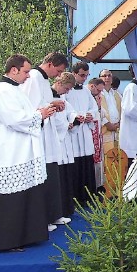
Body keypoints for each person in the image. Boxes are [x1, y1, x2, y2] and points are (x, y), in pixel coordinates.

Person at [0, 54, 56, 251]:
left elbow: (24, 114)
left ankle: (21, 237)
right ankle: (7, 241)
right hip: (6, 154)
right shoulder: (3, 91)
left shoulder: (13, 89)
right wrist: (40, 114)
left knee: (21, 196)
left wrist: (39, 113)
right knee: (10, 199)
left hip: (16, 152)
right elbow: (16, 119)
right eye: (26, 72)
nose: (28, 76)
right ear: (14, 70)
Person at [19, 51, 69, 230]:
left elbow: (42, 102)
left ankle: (53, 214)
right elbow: (30, 107)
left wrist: (54, 103)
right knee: (43, 174)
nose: (58, 75)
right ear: (50, 64)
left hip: (47, 133)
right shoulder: (32, 77)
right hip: (38, 134)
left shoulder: (43, 80)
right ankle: (44, 219)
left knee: (51, 172)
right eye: (58, 70)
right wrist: (50, 106)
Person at [63, 61, 99, 205]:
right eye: (82, 75)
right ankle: (75, 198)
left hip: (85, 131)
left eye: (86, 75)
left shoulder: (85, 90)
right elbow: (65, 110)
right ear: (74, 73)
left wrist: (90, 115)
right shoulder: (67, 91)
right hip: (74, 132)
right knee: (75, 166)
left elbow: (94, 108)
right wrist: (76, 117)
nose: (84, 78)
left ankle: (88, 197)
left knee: (86, 164)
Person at [51, 72, 78, 220]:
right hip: (54, 143)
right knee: (57, 179)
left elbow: (70, 111)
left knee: (65, 177)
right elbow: (52, 120)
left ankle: (65, 210)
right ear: (60, 83)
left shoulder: (62, 97)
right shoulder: (49, 96)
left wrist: (74, 118)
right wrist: (65, 125)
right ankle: (56, 213)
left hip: (65, 142)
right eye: (67, 89)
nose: (67, 92)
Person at [88, 78, 106, 190]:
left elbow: (101, 114)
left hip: (97, 133)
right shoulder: (86, 95)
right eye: (98, 90)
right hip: (89, 132)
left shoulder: (96, 97)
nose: (100, 93)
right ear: (92, 86)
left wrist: (99, 106)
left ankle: (98, 186)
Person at [98, 69, 122, 153]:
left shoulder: (117, 94)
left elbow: (123, 110)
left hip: (117, 130)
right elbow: (98, 111)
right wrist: (108, 124)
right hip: (105, 130)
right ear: (100, 78)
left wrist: (119, 123)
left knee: (117, 158)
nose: (107, 78)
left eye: (109, 75)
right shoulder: (97, 94)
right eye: (104, 76)